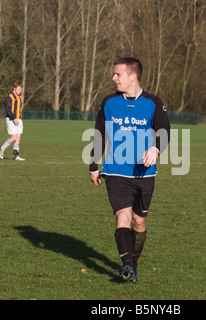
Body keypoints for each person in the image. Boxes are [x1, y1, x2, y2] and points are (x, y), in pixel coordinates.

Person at [89, 57, 170, 283]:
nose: (114, 78)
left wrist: (156, 148)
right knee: (122, 216)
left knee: (139, 222)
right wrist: (94, 165)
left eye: (118, 74)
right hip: (115, 171)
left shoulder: (153, 102)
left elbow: (165, 131)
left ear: (132, 77)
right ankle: (127, 266)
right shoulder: (109, 102)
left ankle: (132, 263)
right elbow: (99, 135)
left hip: (145, 173)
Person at [0, 81, 25, 161]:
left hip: (19, 119)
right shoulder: (10, 97)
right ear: (14, 88)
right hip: (11, 119)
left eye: (21, 89)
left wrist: (20, 118)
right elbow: (8, 109)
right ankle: (1, 148)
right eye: (19, 89)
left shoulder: (20, 97)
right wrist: (14, 118)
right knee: (14, 137)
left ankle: (15, 156)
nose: (20, 91)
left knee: (18, 138)